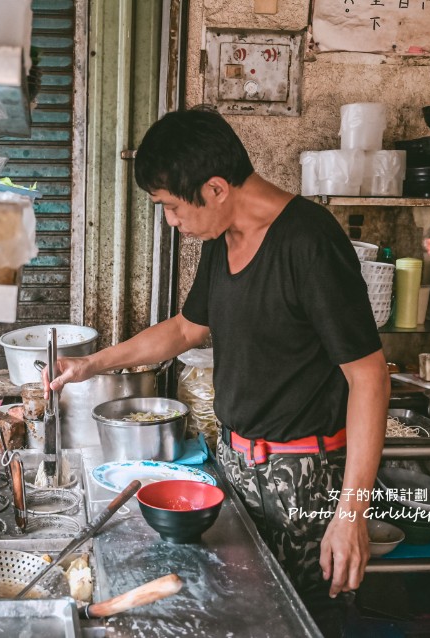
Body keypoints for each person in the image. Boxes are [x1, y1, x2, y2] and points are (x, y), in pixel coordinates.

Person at [45, 108, 390, 636]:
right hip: (237, 462)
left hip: (304, 479)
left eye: (171, 206)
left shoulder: (309, 242)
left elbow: (369, 377)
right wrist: (92, 363)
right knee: (239, 616)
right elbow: (186, 328)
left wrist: (352, 514)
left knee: (298, 622)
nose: (170, 221)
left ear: (215, 188)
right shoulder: (222, 243)